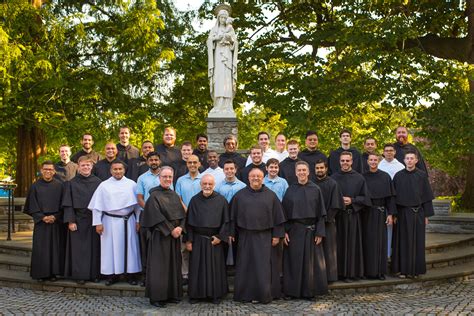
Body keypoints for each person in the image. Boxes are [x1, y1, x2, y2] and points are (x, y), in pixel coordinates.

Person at [231, 167, 286, 304]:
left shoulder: (271, 196)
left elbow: (278, 218)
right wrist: (231, 233)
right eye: (253, 176)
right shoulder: (239, 195)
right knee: (245, 266)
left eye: (258, 176)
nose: (256, 178)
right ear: (248, 178)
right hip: (245, 237)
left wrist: (277, 235)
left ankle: (264, 294)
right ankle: (245, 294)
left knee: (264, 268)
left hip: (265, 237)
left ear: (263, 178)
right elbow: (231, 217)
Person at [88, 160, 141, 285]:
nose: (117, 171)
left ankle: (130, 274)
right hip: (109, 222)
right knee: (110, 249)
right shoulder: (104, 185)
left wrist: (138, 220)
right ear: (111, 171)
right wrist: (98, 223)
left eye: (120, 169)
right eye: (115, 169)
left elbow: (138, 206)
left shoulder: (132, 184)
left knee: (131, 248)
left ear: (124, 170)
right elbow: (97, 206)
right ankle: (112, 275)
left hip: (128, 221)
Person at [140, 166, 186, 308]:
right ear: (159, 178)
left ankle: (172, 294)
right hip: (160, 236)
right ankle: (157, 297)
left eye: (169, 177)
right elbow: (155, 217)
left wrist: (180, 228)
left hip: (174, 236)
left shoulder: (174, 195)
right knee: (159, 268)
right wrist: (170, 230)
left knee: (173, 266)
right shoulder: (154, 196)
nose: (167, 179)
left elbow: (183, 214)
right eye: (164, 177)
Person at [282, 161, 328, 298]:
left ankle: (310, 291)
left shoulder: (315, 189)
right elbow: (284, 213)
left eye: (304, 170)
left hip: (312, 231)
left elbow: (321, 214)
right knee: (294, 262)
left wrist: (320, 232)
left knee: (311, 263)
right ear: (296, 173)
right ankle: (292, 292)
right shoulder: (290, 190)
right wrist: (284, 231)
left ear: (308, 172)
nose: (302, 172)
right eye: (299, 170)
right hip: (294, 231)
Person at [185, 174, 230, 304]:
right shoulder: (194, 200)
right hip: (198, 240)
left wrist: (220, 237)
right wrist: (189, 240)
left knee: (215, 269)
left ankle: (215, 295)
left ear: (214, 185)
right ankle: (196, 295)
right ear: (201, 185)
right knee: (197, 269)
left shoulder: (221, 200)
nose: (207, 186)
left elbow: (226, 222)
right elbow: (189, 223)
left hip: (214, 240)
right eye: (204, 184)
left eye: (210, 184)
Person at [392, 150, 434, 278]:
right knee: (403, 242)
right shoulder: (398, 176)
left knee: (418, 242)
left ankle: (416, 270)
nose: (409, 160)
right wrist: (393, 214)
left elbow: (427, 196)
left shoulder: (422, 176)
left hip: (418, 213)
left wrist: (426, 215)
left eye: (412, 158)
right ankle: (403, 270)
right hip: (402, 213)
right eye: (407, 158)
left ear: (416, 161)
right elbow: (393, 197)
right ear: (404, 161)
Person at [331, 151, 371, 282]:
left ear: (352, 162)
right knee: (339, 246)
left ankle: (352, 273)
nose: (345, 163)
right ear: (339, 162)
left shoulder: (359, 178)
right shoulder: (333, 178)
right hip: (338, 217)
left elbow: (366, 198)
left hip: (353, 216)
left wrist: (352, 200)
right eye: (342, 161)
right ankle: (339, 273)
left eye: (347, 161)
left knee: (353, 245)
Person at [62, 156, 102, 284]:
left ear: (91, 167)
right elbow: (68, 203)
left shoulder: (98, 182)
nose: (85, 167)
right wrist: (71, 221)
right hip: (78, 220)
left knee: (95, 248)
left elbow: (102, 203)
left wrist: (100, 221)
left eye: (88, 165)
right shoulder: (71, 183)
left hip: (94, 219)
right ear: (78, 167)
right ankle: (80, 275)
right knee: (79, 250)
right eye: (83, 165)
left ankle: (94, 274)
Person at [24, 161, 65, 282]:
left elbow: (63, 204)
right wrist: (42, 217)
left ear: (54, 171)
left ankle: (53, 273)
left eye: (50, 169)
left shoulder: (60, 186)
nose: (48, 171)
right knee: (41, 248)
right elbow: (31, 204)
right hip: (41, 222)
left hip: (55, 222)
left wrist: (55, 216)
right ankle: (40, 274)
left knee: (54, 248)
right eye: (45, 169)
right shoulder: (35, 186)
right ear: (41, 171)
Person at [362, 153, 396, 280]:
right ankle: (367, 271)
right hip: (366, 213)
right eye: (371, 160)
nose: (373, 162)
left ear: (378, 161)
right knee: (367, 242)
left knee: (381, 243)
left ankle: (380, 272)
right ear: (367, 161)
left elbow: (390, 197)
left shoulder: (385, 177)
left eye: (375, 160)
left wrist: (390, 214)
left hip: (381, 213)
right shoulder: (362, 177)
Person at [314, 159, 344, 283]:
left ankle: (330, 277)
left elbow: (336, 204)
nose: (319, 170)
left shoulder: (333, 184)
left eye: (322, 168)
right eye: (317, 168)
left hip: (328, 222)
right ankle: (317, 276)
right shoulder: (311, 183)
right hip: (314, 223)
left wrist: (325, 219)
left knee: (329, 250)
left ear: (326, 169)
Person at [136, 151, 162, 286]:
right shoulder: (142, 178)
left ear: (160, 161)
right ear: (147, 162)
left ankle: (159, 276)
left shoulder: (165, 176)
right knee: (145, 247)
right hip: (145, 216)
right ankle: (145, 276)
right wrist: (150, 210)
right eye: (151, 160)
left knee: (159, 247)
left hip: (162, 217)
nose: (154, 162)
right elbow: (139, 198)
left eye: (156, 160)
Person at [207, 4, 238, 116]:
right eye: (221, 17)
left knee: (227, 80)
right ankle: (218, 105)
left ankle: (227, 105)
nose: (223, 20)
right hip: (218, 58)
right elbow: (209, 42)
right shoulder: (214, 30)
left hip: (228, 57)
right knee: (218, 79)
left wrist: (231, 41)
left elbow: (235, 43)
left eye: (225, 18)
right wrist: (215, 40)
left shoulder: (231, 29)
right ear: (218, 18)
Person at [378, 143, 404, 259]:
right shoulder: (379, 166)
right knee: (385, 229)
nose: (388, 152)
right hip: (383, 202)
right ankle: (385, 254)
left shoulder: (401, 167)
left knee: (396, 230)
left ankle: (394, 254)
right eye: (386, 150)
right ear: (383, 153)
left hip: (397, 202)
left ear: (395, 152)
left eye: (391, 150)